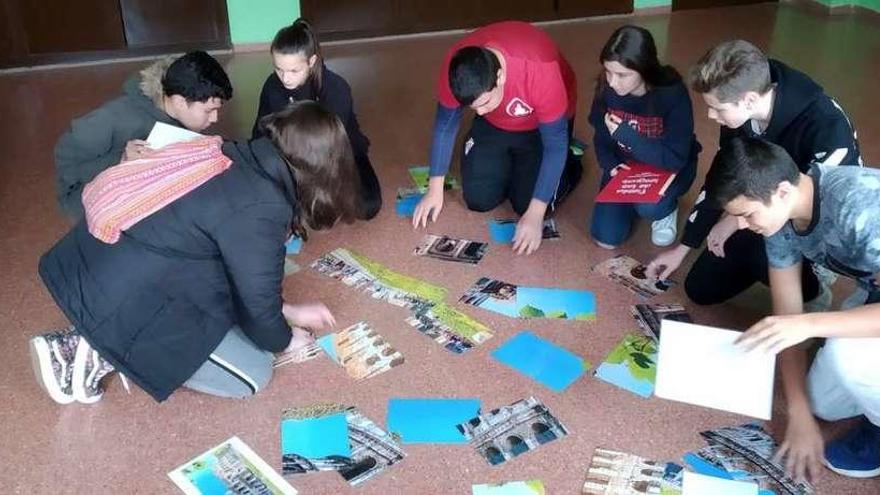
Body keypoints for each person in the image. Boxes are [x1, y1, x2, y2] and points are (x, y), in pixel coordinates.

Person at [30, 101, 361, 404]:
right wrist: (286, 340)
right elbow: (258, 309)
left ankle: (91, 334)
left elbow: (243, 277)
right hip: (121, 295)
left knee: (225, 302)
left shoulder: (232, 151)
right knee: (254, 374)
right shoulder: (263, 205)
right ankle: (95, 349)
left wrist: (287, 310)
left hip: (88, 265)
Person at [707, 137, 880, 482]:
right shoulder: (779, 218)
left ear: (783, 191)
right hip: (873, 293)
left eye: (747, 214)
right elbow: (787, 315)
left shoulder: (860, 207)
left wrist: (809, 325)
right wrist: (798, 414)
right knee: (819, 404)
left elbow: (798, 325)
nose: (742, 225)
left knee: (848, 356)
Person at [647, 40, 861, 308]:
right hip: (764, 206)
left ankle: (815, 288)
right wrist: (683, 248)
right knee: (700, 288)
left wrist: (737, 221)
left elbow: (816, 202)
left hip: (814, 220)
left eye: (718, 108)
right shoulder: (740, 114)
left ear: (749, 100)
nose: (711, 116)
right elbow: (724, 177)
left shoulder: (827, 126)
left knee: (767, 253)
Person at [411, 21, 583, 255]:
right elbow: (445, 124)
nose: (479, 112)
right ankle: (507, 160)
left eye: (483, 103)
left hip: (541, 125)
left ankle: (571, 166)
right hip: (497, 123)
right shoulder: (456, 66)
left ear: (500, 76)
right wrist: (434, 189)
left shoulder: (540, 72)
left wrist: (535, 213)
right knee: (478, 199)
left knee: (526, 204)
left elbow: (554, 145)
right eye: (472, 107)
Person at [55, 51, 233, 219]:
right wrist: (120, 160)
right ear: (179, 101)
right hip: (87, 195)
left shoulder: (178, 107)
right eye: (209, 111)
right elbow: (68, 166)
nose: (215, 118)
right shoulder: (113, 118)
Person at [252, 18, 381, 220]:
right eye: (279, 69)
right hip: (290, 157)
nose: (285, 78)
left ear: (311, 62)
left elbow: (334, 148)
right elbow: (260, 133)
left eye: (294, 70)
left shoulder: (336, 88)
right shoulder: (272, 85)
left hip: (337, 155)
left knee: (367, 205)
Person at [588, 25, 700, 249]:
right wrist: (611, 165)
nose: (612, 81)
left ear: (644, 69)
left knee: (648, 206)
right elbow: (601, 136)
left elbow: (675, 158)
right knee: (606, 239)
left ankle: (666, 210)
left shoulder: (672, 94)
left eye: (622, 75)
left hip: (668, 168)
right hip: (626, 166)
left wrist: (626, 135)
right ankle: (633, 201)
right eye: (608, 71)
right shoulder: (607, 88)